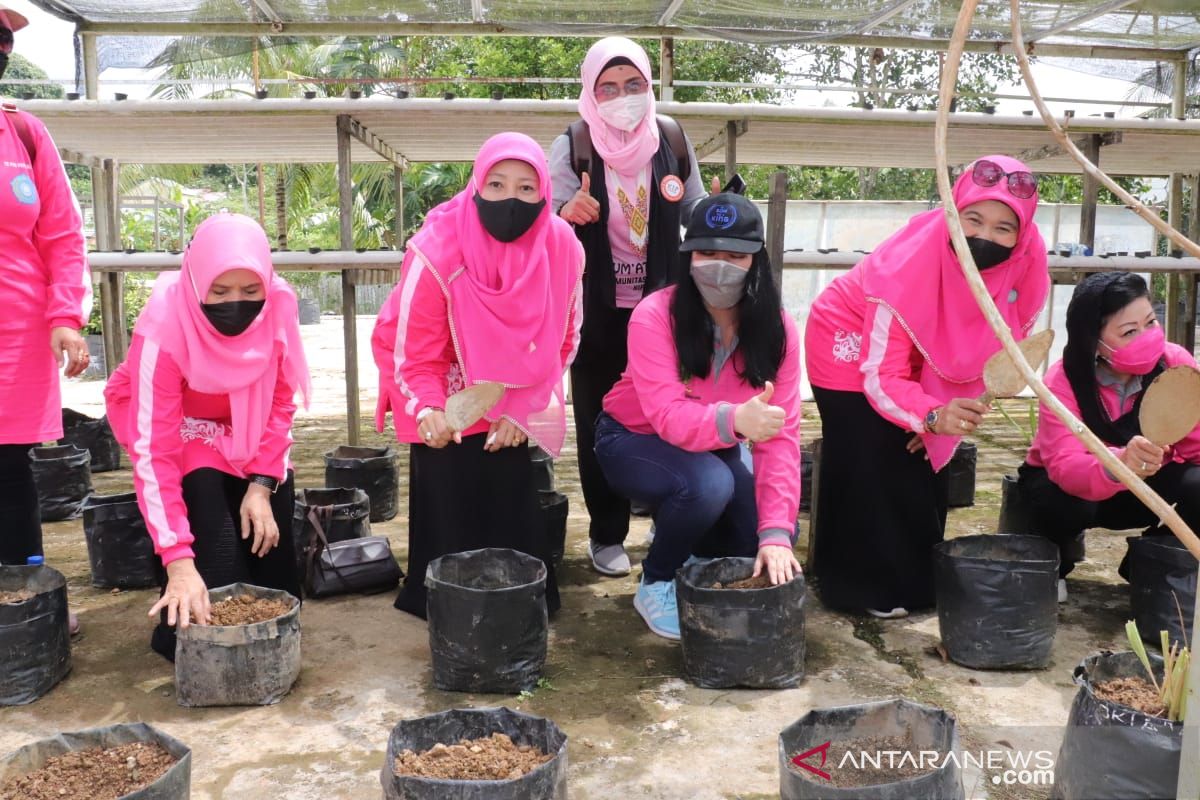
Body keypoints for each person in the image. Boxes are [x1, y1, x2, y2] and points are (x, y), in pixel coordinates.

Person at [805, 155, 1049, 618]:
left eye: (1004, 228)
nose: (984, 237)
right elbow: (881, 374)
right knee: (867, 451)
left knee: (923, 457)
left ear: (1022, 235)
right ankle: (852, 585)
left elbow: (998, 357)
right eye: (973, 219)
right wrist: (930, 413)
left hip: (925, 360)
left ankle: (914, 582)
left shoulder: (1026, 265)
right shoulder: (905, 267)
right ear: (954, 213)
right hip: (852, 337)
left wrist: (944, 423)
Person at [373, 132, 585, 619]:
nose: (512, 198)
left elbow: (563, 340)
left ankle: (516, 604)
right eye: (497, 184)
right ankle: (441, 604)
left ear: (545, 193)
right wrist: (427, 408)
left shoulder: (562, 248)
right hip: (441, 381)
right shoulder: (437, 250)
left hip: (517, 387)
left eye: (527, 188)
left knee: (509, 491)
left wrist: (524, 408)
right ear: (475, 187)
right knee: (447, 478)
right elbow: (412, 355)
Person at [594, 193, 802, 639]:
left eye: (734, 255)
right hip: (632, 438)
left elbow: (780, 440)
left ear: (756, 260)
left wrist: (776, 535)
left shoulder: (778, 329)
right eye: (707, 253)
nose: (719, 266)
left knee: (767, 532)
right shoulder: (655, 316)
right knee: (709, 484)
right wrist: (733, 422)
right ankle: (657, 579)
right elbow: (666, 416)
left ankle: (684, 541)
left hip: (713, 442)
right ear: (688, 256)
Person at [104, 213, 311, 659]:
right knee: (204, 508)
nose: (236, 302)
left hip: (247, 422)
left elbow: (281, 402)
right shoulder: (163, 327)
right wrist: (178, 559)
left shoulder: (279, 306)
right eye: (220, 292)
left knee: (269, 550)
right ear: (197, 281)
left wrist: (262, 484)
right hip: (179, 422)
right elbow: (155, 452)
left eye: (250, 291)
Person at [550, 36, 706, 578]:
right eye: (608, 88)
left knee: (666, 416)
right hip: (596, 313)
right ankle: (606, 533)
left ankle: (671, 517)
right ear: (590, 93)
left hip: (661, 313)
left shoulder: (669, 139)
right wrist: (565, 210)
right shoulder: (574, 146)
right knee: (597, 420)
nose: (623, 97)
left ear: (649, 86)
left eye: (634, 85)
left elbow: (694, 208)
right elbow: (538, 220)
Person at [1019, 271, 1200, 600]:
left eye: (1150, 323)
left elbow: (1196, 441)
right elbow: (1065, 465)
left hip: (1145, 486)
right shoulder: (1064, 380)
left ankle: (1149, 566)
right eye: (1129, 332)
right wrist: (1121, 462)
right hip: (1077, 491)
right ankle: (1054, 563)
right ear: (1094, 342)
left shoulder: (1175, 365)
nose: (1146, 337)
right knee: (1057, 499)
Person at [0, 6, 91, 588]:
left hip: (17, 331)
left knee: (10, 466)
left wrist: (65, 316)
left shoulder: (24, 133)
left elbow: (61, 234)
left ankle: (23, 590)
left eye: (3, 40)